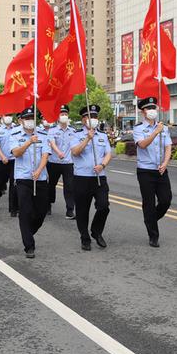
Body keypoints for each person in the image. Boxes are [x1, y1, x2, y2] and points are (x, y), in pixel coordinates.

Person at [70, 105, 112, 251]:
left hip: (99, 177)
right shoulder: (76, 134)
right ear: (83, 120)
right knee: (82, 210)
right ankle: (85, 238)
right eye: (89, 117)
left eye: (95, 116)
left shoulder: (103, 136)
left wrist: (102, 165)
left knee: (103, 206)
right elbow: (75, 152)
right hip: (82, 178)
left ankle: (96, 231)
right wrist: (87, 139)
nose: (93, 119)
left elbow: (108, 153)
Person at [10, 107, 50, 259]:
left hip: (39, 178)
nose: (30, 121)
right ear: (21, 120)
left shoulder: (43, 134)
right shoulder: (14, 135)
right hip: (23, 179)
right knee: (25, 211)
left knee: (41, 212)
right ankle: (29, 246)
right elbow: (16, 153)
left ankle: (28, 232)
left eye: (32, 118)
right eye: (27, 118)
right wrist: (28, 142)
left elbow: (45, 155)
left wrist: (40, 170)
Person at [133, 97, 172, 248]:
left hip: (161, 170)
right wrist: (155, 132)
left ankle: (150, 220)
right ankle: (153, 235)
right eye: (149, 109)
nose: (152, 111)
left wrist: (165, 163)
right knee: (148, 203)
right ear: (143, 112)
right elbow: (142, 145)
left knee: (165, 200)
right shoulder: (138, 128)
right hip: (145, 171)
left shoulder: (164, 128)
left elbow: (168, 147)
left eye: (154, 108)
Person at [47, 105, 75, 219]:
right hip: (54, 162)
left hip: (68, 163)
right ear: (57, 117)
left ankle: (70, 210)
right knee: (50, 185)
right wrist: (58, 152)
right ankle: (48, 205)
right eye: (61, 114)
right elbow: (52, 143)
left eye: (65, 114)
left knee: (69, 187)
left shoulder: (73, 131)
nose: (64, 116)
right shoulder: (52, 130)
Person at [0, 113, 19, 216]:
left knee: (14, 184)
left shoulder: (16, 129)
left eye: (10, 115)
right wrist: (2, 156)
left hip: (14, 160)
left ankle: (13, 209)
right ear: (2, 117)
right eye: (6, 115)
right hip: (1, 160)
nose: (8, 117)